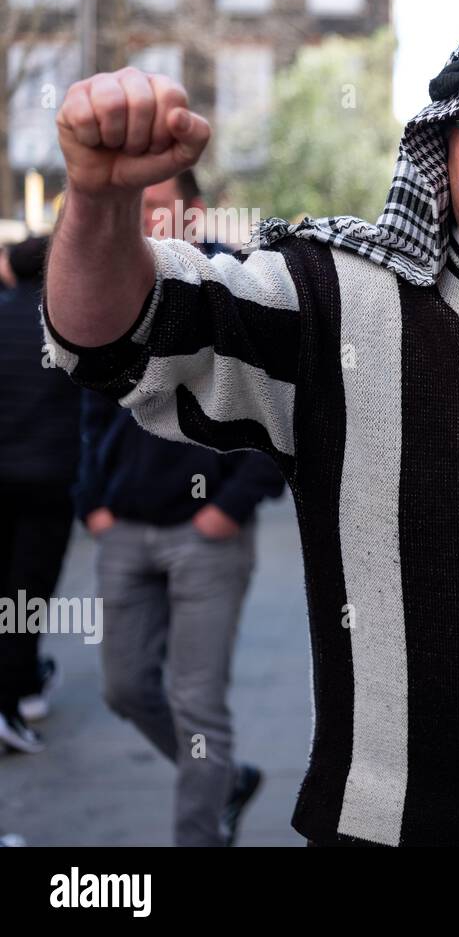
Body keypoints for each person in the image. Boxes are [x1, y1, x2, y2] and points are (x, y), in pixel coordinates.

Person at [42, 16, 459, 846]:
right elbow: (110, 337)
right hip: (394, 833)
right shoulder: (334, 300)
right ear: (444, 150)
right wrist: (99, 202)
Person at [72, 169, 284, 846]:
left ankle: (199, 832)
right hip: (123, 528)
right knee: (125, 686)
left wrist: (234, 502)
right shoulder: (108, 288)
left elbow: (276, 400)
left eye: (156, 207)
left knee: (198, 705)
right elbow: (84, 401)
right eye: (130, 207)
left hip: (207, 535)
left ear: (193, 212)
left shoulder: (238, 284)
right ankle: (226, 778)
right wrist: (91, 502)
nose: (141, 220)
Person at [0, 236, 81, 754]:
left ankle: (24, 684)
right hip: (49, 481)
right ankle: (16, 696)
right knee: (27, 595)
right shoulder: (69, 326)